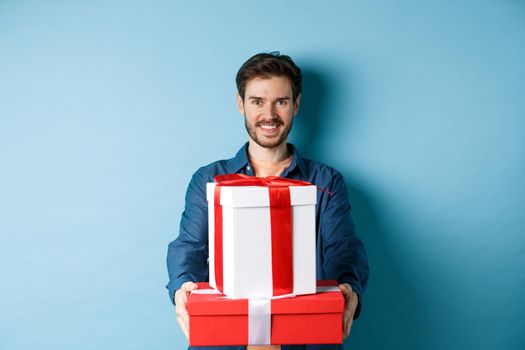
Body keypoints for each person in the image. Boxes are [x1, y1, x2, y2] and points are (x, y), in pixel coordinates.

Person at [166, 52, 369, 350]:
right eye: (257, 101)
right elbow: (189, 246)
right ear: (241, 104)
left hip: (306, 336)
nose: (269, 115)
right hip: (224, 336)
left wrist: (349, 287)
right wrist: (183, 288)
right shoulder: (210, 180)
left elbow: (342, 247)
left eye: (281, 102)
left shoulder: (325, 182)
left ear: (296, 106)